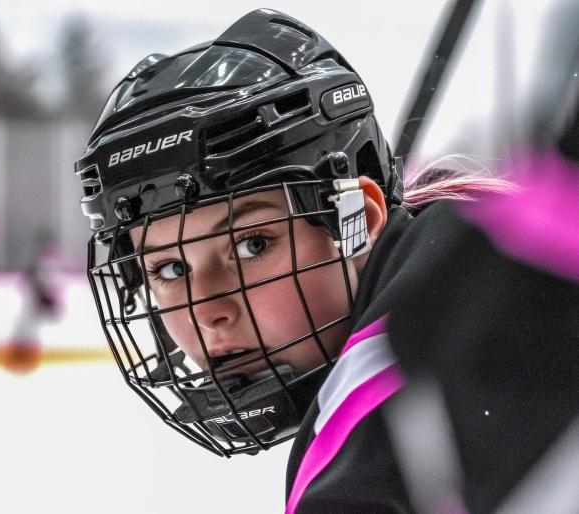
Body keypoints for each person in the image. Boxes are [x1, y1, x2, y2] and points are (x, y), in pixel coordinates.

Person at [74, 9, 579, 513]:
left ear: (359, 216)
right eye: (170, 269)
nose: (208, 309)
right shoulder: (469, 272)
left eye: (252, 245)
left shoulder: (378, 449)